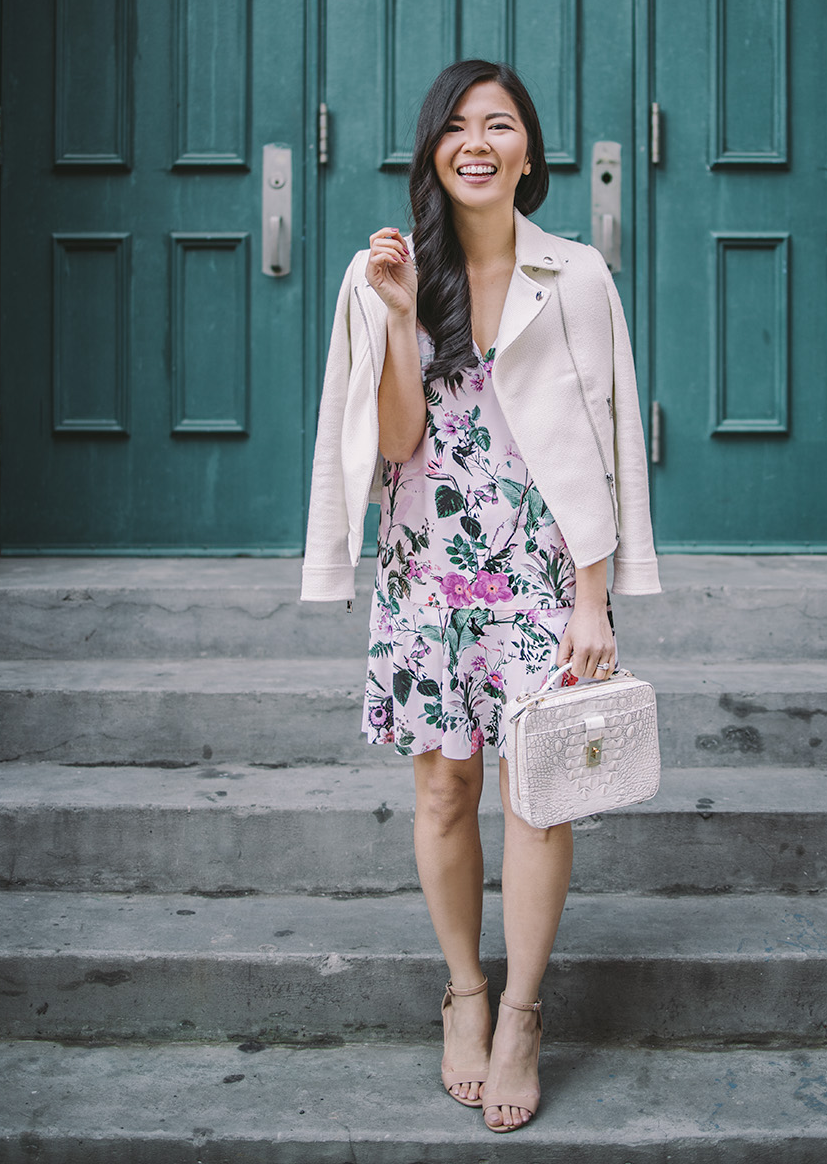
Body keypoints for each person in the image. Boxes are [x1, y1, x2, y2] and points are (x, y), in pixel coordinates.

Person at [301, 58, 660, 1133]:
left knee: (536, 796)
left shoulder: (578, 276)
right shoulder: (388, 272)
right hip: (428, 576)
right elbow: (399, 441)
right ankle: (462, 986)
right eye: (456, 125)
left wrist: (594, 600)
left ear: (527, 152)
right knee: (445, 792)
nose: (477, 141)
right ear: (432, 150)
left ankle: (521, 1012)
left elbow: (599, 438)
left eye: (498, 124)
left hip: (544, 577)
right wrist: (401, 312)